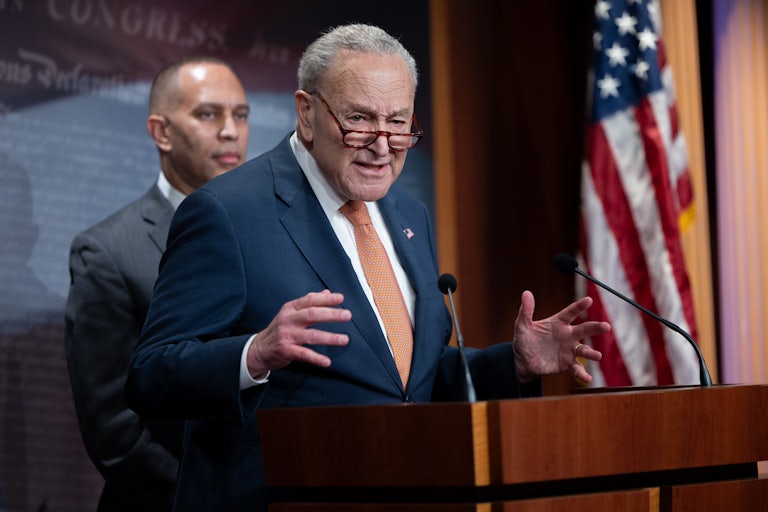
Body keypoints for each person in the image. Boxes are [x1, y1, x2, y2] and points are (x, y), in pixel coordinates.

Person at [126, 24, 608, 512]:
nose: (383, 146)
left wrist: (513, 365)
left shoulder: (408, 214)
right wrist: (255, 353)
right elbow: (149, 375)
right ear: (307, 113)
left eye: (399, 123)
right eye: (359, 120)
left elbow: (403, 379)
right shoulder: (227, 212)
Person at [65, 56, 250, 512]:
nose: (230, 131)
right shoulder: (107, 252)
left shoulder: (270, 228)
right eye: (209, 114)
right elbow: (115, 433)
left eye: (240, 115)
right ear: (161, 132)